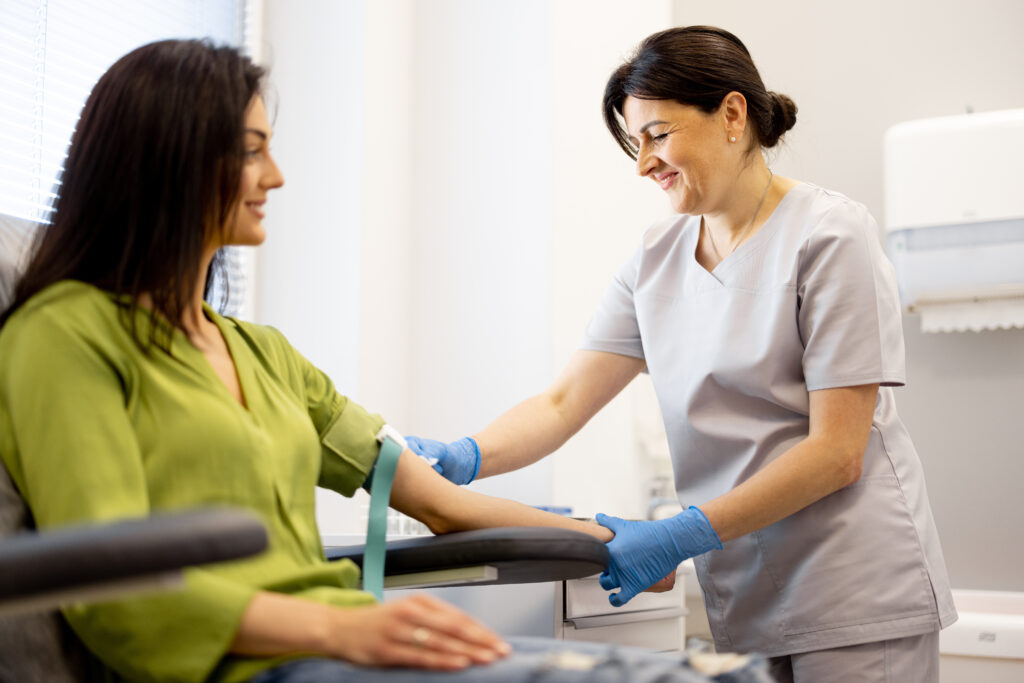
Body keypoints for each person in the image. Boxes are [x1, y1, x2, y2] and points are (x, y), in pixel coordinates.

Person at [0, 40, 773, 683]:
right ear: (170, 159)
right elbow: (110, 582)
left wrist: (621, 535)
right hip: (252, 661)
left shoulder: (258, 352)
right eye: (253, 152)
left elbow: (442, 501)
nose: (276, 178)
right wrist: (342, 630)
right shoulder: (64, 334)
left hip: (341, 641)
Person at [406, 25, 957, 682]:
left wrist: (679, 532)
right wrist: (462, 457)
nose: (644, 163)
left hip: (857, 590)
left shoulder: (830, 235)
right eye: (635, 143)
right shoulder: (655, 259)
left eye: (658, 135)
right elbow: (561, 403)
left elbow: (837, 452)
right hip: (748, 593)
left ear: (731, 114)